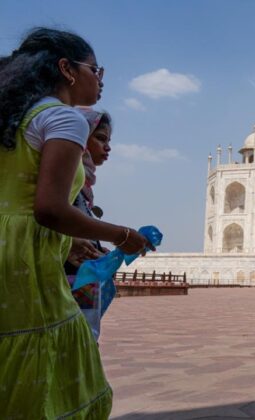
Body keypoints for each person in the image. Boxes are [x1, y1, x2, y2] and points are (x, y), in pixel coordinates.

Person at [0, 28, 151, 418]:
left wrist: (67, 244)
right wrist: (124, 235)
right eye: (95, 69)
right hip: (24, 260)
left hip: (10, 243)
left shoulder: (12, 121)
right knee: (54, 363)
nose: (100, 80)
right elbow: (48, 209)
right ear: (67, 70)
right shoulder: (64, 120)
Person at [64, 108, 113, 342]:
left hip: (80, 280)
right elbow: (52, 217)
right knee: (75, 341)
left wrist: (96, 249)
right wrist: (123, 235)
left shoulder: (83, 183)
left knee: (83, 340)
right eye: (100, 138)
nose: (107, 148)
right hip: (66, 280)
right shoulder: (65, 175)